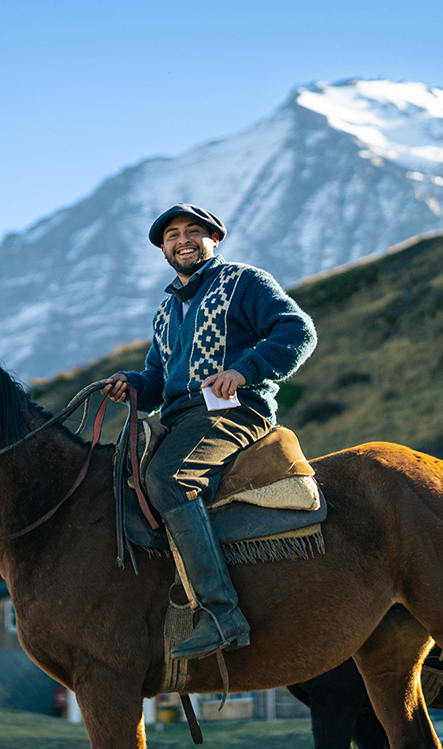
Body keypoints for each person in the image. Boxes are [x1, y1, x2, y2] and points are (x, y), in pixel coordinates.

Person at [104, 203, 317, 660]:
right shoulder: (165, 313)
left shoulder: (245, 281)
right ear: (163, 249)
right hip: (183, 417)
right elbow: (159, 382)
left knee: (168, 477)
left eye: (193, 231)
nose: (182, 240)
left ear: (213, 240)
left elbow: (297, 330)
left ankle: (222, 613)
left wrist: (244, 371)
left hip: (236, 409)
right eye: (172, 235)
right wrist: (132, 384)